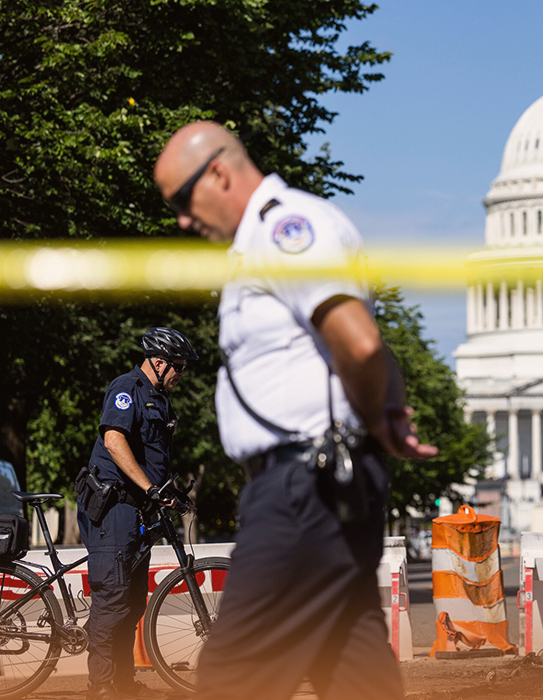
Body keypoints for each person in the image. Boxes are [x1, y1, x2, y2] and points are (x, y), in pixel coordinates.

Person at [154, 121, 437, 700]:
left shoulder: (286, 230)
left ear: (218, 173)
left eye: (181, 201)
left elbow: (357, 342)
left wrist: (375, 418)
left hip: (302, 486)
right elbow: (368, 342)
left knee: (233, 677)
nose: (183, 220)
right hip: (314, 486)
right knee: (356, 673)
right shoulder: (260, 243)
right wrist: (383, 409)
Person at [79, 327, 197, 700]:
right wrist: (148, 488)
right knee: (111, 599)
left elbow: (153, 457)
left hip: (137, 512)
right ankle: (100, 685)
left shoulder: (160, 398)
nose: (182, 373)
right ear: (159, 362)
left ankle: (124, 681)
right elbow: (114, 440)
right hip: (113, 508)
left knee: (132, 602)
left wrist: (171, 493)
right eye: (178, 366)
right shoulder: (126, 388)